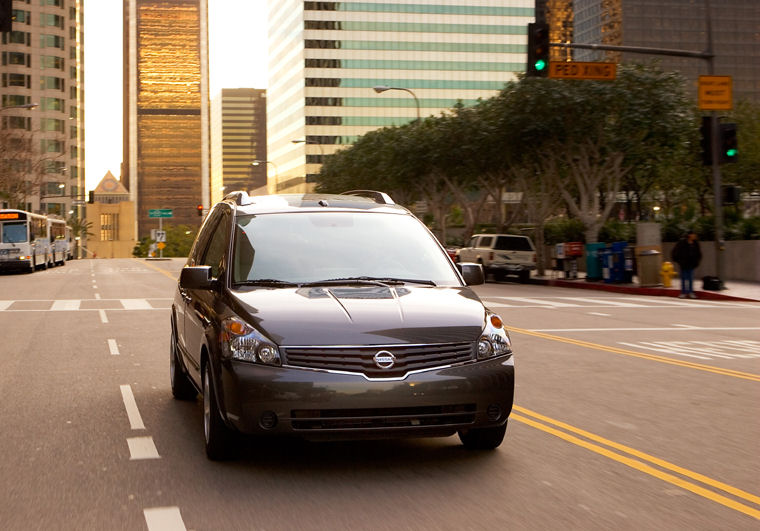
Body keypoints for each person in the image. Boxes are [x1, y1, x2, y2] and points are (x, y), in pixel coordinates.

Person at [671, 230, 702, 298]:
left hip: (691, 264)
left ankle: (691, 292)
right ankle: (683, 293)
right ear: (689, 235)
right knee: (684, 278)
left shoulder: (695, 243)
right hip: (683, 264)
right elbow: (675, 251)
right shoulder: (682, 242)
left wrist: (697, 261)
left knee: (691, 279)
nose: (695, 236)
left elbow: (698, 253)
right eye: (694, 234)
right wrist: (679, 261)